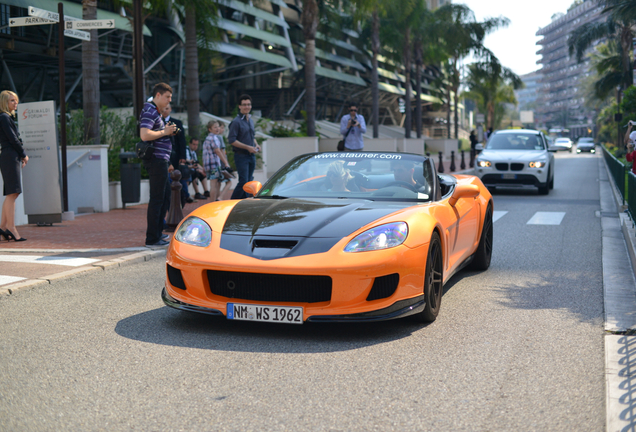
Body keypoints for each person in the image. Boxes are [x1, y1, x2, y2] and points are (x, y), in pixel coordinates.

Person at [139, 82, 177, 247]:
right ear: (158, 95)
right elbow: (145, 135)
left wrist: (166, 131)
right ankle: (152, 238)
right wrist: (165, 132)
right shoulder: (149, 110)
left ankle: (157, 234)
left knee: (165, 197)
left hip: (161, 160)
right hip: (156, 160)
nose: (169, 100)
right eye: (167, 97)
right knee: (157, 199)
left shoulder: (155, 112)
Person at [0, 90, 28, 242]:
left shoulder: (6, 117)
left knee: (12, 193)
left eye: (16, 101)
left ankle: (3, 228)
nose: (15, 103)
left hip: (9, 156)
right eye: (12, 101)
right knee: (13, 193)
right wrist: (24, 154)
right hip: (10, 156)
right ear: (5, 102)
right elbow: (13, 139)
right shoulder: (4, 117)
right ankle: (11, 228)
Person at [229, 95, 260, 199]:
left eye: (248, 104)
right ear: (239, 106)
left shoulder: (250, 120)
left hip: (251, 155)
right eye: (244, 105)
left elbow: (252, 136)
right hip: (241, 156)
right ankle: (232, 202)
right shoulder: (236, 121)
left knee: (249, 181)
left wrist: (256, 144)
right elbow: (232, 140)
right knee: (243, 181)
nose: (247, 106)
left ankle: (243, 203)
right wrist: (247, 147)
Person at [163, 104, 190, 206]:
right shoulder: (158, 122)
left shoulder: (177, 123)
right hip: (163, 155)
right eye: (164, 108)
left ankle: (181, 200)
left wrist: (183, 157)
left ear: (170, 109)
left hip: (175, 156)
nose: (165, 111)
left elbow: (182, 141)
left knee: (178, 178)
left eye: (167, 108)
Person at [202, 120, 232, 201]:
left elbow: (204, 154)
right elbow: (218, 151)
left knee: (214, 185)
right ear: (210, 129)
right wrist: (226, 163)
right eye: (215, 127)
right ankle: (212, 203)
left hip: (208, 165)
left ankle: (215, 202)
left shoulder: (207, 139)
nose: (217, 128)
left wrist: (204, 167)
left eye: (218, 126)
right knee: (214, 185)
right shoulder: (214, 138)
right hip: (214, 165)